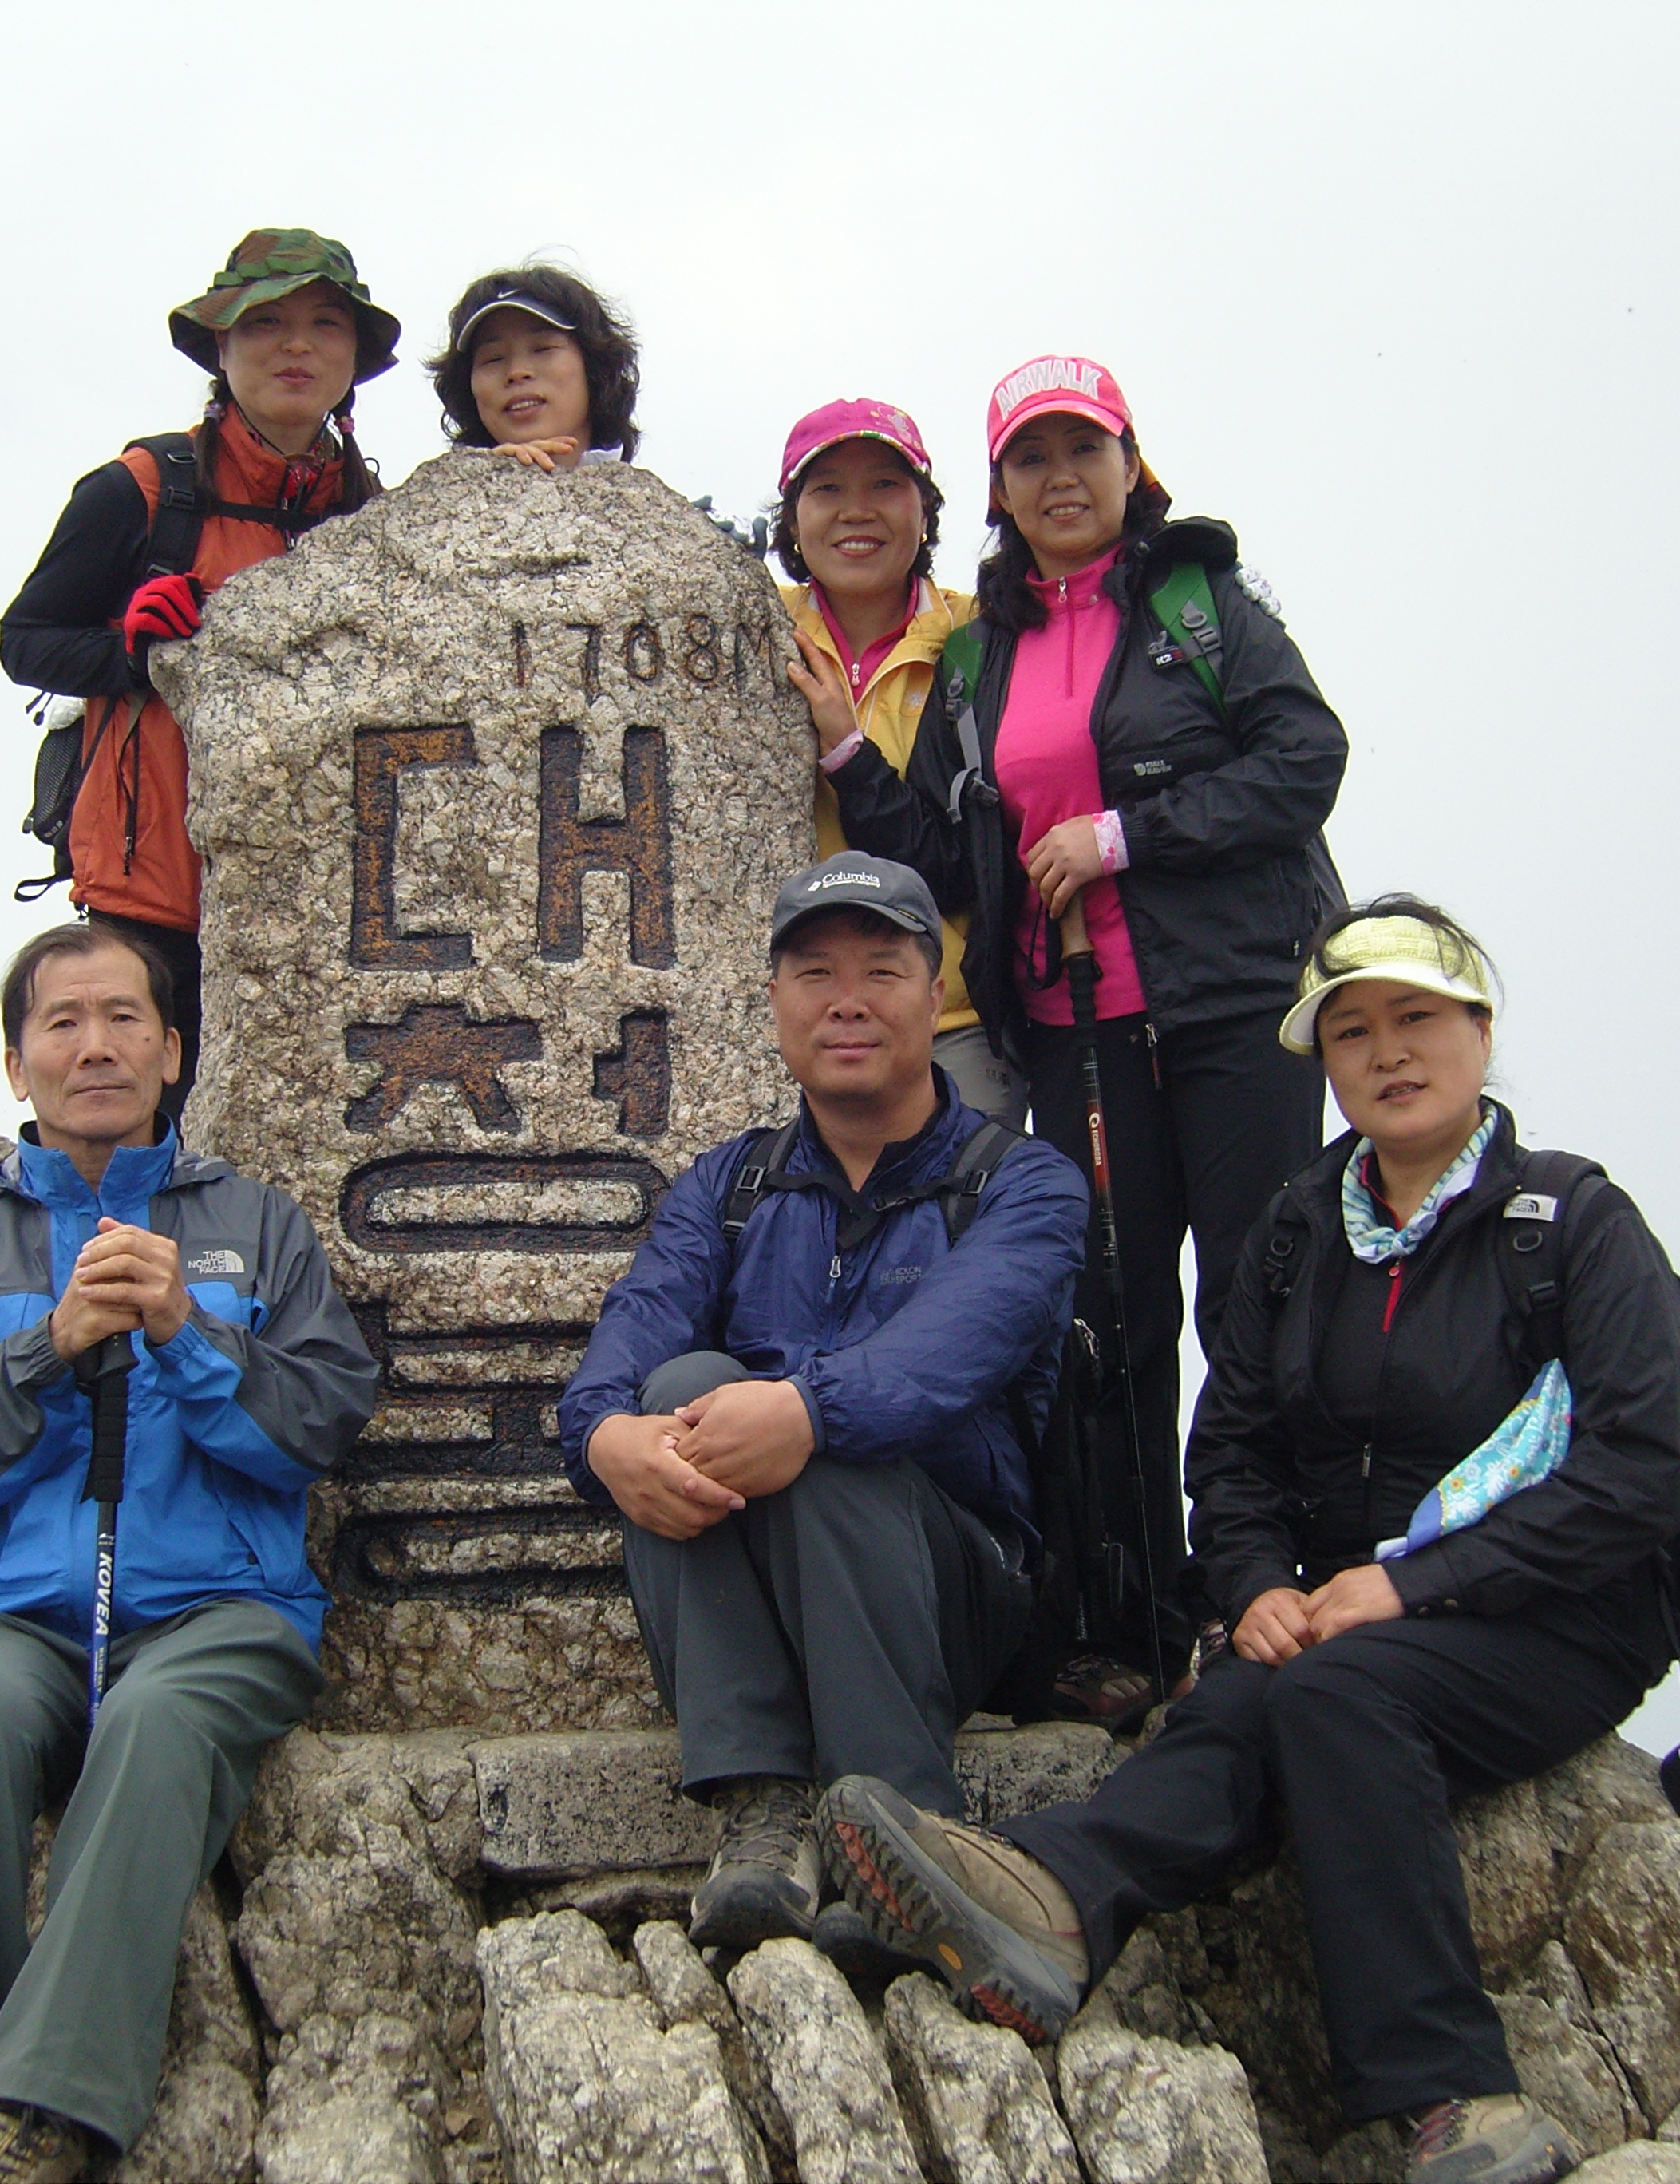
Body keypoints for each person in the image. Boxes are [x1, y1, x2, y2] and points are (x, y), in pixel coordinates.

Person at [820, 899, 1680, 2184]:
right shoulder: (1302, 1227)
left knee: (1333, 1695)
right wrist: (1252, 1589)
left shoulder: (1570, 1221)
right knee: (1235, 1704)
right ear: (1324, 1060)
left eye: (1416, 1018)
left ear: (1480, 1031)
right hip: (1344, 1621)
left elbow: (1644, 1474)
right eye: (1353, 1031)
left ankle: (1461, 2095)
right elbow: (1232, 1448)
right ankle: (1048, 1905)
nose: (1388, 1053)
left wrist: (1412, 1587)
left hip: (1551, 1618)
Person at [827, 353, 1348, 1720]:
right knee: (1106, 1320)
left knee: (1257, 1297)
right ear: (999, 490)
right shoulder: (977, 657)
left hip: (1230, 1006)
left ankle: (1268, 1595)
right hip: (1073, 1026)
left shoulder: (1201, 607)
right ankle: (1137, 1622)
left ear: (1130, 465)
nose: (1059, 478)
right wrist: (843, 752)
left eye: (1083, 450)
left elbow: (1305, 760)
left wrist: (1124, 836)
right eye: (1030, 458)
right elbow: (938, 851)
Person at [0, 923, 378, 2183]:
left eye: (124, 1018)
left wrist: (184, 1330)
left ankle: (40, 2116)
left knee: (155, 1721)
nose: (94, 1046)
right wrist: (48, 1347)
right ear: (17, 1064)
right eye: (62, 1022)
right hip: (22, 1616)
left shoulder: (253, 1223)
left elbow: (321, 1426)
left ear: (173, 1050)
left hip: (222, 1612)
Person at [556, 850, 1086, 1950]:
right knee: (675, 1395)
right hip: (766, 1593)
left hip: (946, 1589)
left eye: (881, 971)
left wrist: (802, 1412)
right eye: (815, 974)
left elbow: (944, 1356)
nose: (847, 1002)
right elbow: (636, 1328)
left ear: (934, 995)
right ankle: (763, 1809)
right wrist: (602, 1437)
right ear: (775, 1003)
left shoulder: (1022, 1183)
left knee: (832, 1445)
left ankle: (901, 1823)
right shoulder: (729, 1185)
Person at [0, 228, 401, 1118]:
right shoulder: (143, 491)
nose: (296, 347)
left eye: (325, 325)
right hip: (150, 898)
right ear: (221, 346)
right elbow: (27, 641)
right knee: (140, 1142)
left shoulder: (378, 518)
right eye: (265, 323)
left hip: (320, 911)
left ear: (353, 359)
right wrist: (132, 652)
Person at [772, 398, 1020, 1124]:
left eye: (884, 485)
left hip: (954, 1020)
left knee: (960, 1199)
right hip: (786, 1018)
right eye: (828, 489)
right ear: (793, 518)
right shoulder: (750, 626)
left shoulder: (983, 635)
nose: (857, 511)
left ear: (924, 508)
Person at [423, 263, 640, 473]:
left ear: (594, 368)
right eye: (493, 359)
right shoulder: (442, 492)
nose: (517, 373)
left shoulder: (638, 495)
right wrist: (489, 475)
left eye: (543, 349)